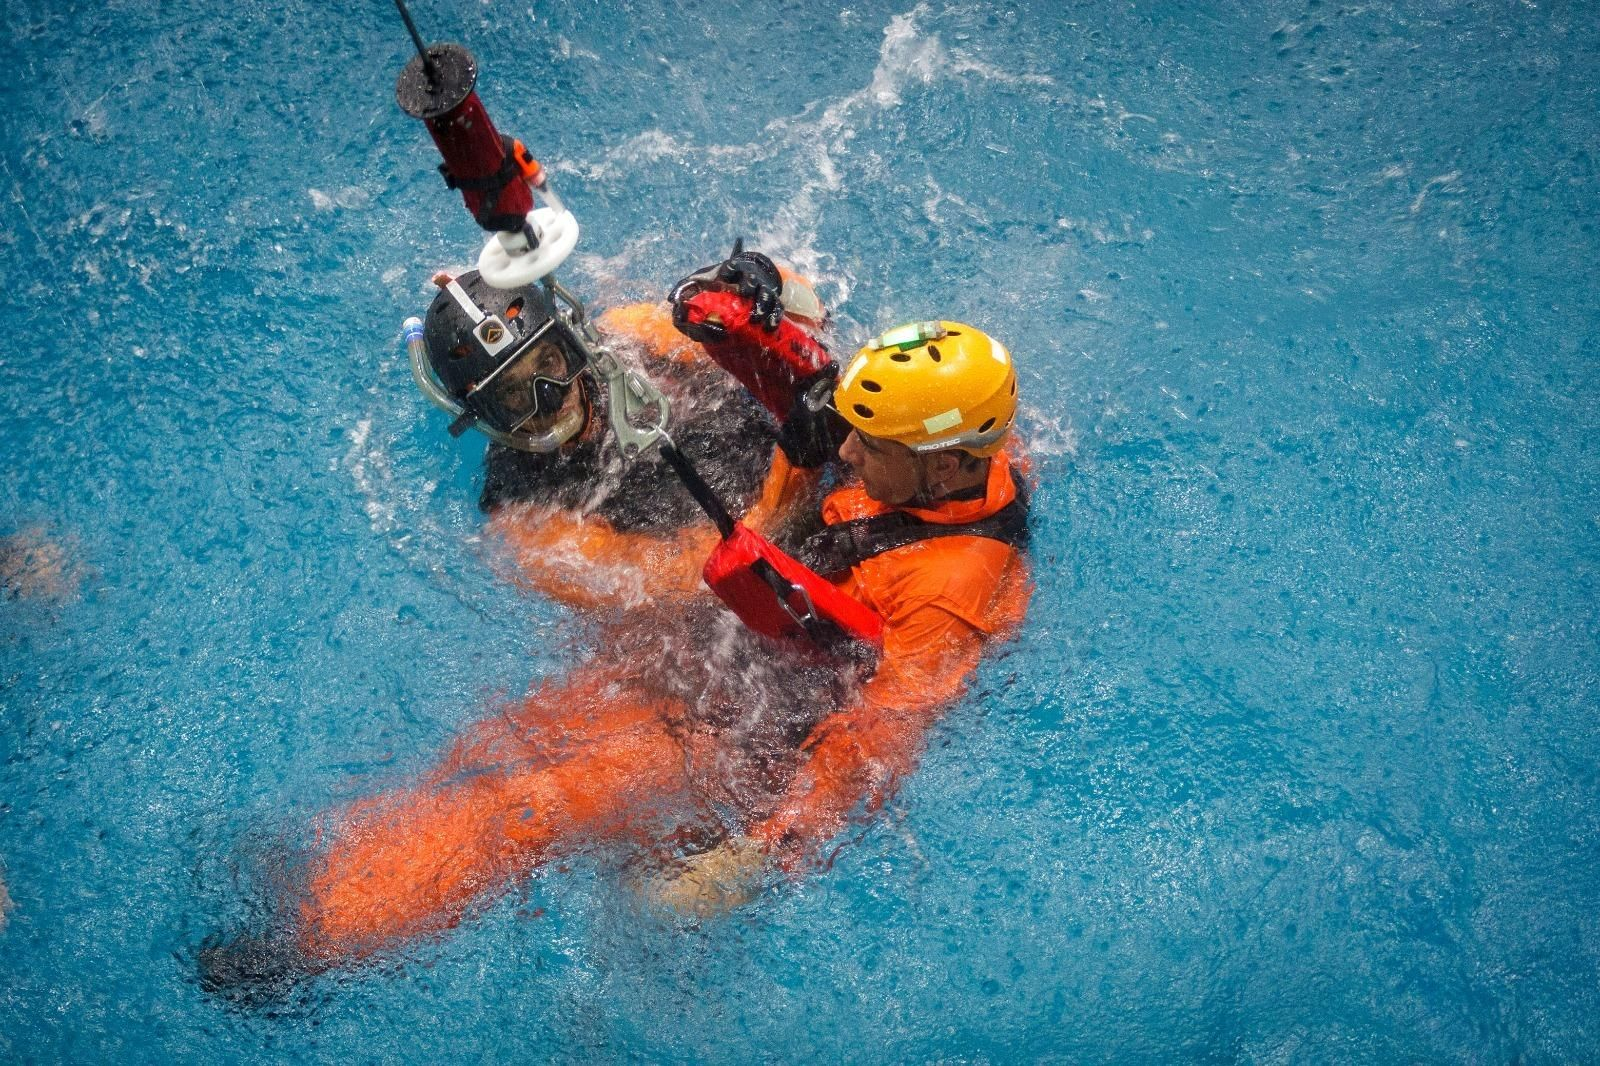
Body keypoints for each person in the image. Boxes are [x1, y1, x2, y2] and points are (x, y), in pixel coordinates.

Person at [200, 245, 1031, 995]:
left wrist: (762, 853)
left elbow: (883, 734)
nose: (846, 447)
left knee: (539, 801)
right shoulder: (924, 435)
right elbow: (800, 330)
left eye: (865, 443)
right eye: (847, 430)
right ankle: (318, 882)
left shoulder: (950, 590)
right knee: (506, 744)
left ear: (944, 459)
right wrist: (758, 290)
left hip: (760, 718)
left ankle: (300, 951)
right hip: (722, 646)